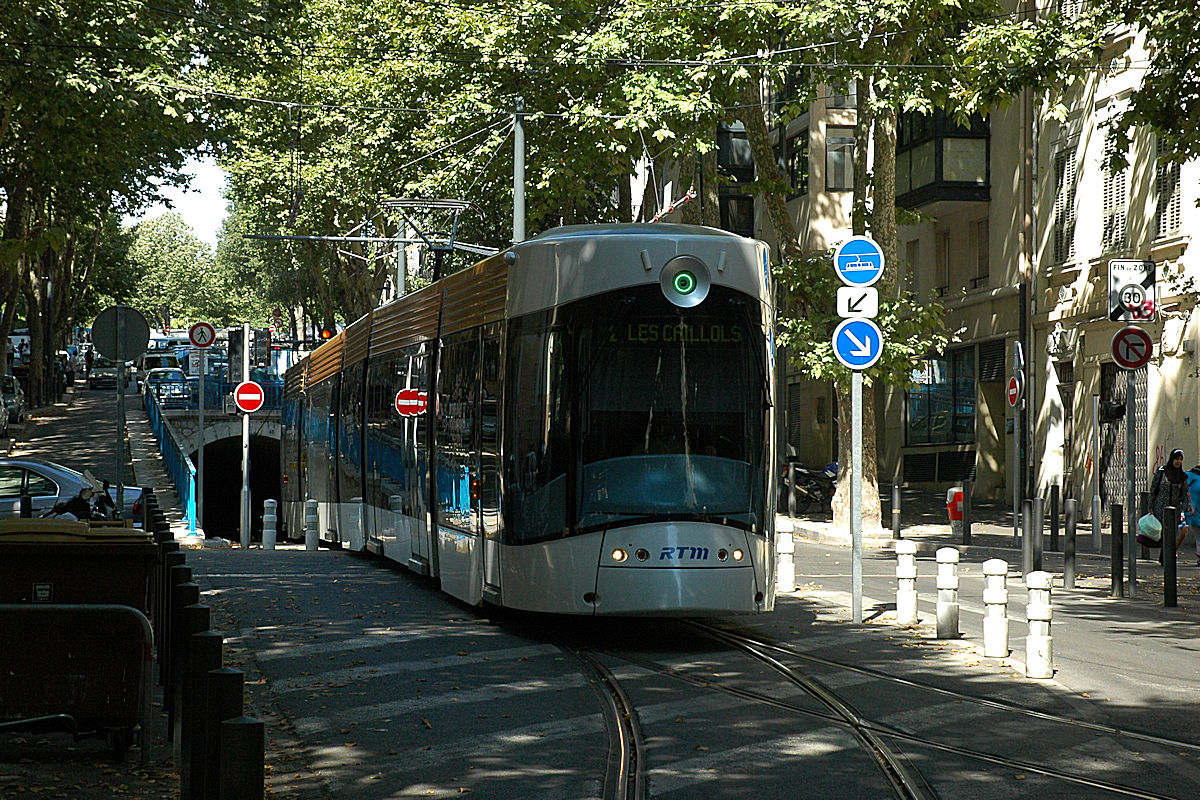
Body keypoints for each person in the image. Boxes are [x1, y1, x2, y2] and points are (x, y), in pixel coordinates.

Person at [1150, 449, 1192, 554]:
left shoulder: (1182, 476)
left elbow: (1185, 493)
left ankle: (1166, 556)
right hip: (1160, 508)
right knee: (1163, 533)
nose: (1178, 462)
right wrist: (1150, 505)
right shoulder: (1162, 472)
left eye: (1180, 459)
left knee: (1172, 533)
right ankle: (1165, 555)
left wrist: (1188, 506)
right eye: (1176, 459)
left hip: (1175, 509)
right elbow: (1154, 488)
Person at [1185, 463, 1200, 564]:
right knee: (1198, 535)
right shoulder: (1191, 476)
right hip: (1193, 510)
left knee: (1198, 536)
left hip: (1194, 510)